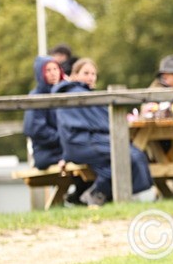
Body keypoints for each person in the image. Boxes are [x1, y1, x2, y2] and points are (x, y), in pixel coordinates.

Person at [53, 58, 153, 206]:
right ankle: (97, 193)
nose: (90, 77)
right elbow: (102, 123)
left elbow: (101, 121)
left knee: (127, 156)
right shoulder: (75, 93)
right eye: (86, 73)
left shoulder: (86, 94)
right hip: (81, 143)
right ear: (75, 75)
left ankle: (93, 194)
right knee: (129, 155)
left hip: (87, 142)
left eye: (93, 74)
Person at [23, 56, 67, 169]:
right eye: (48, 70)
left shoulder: (66, 93)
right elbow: (36, 129)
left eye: (55, 69)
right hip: (47, 153)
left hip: (67, 148)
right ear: (41, 74)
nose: (53, 73)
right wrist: (64, 137)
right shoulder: (36, 96)